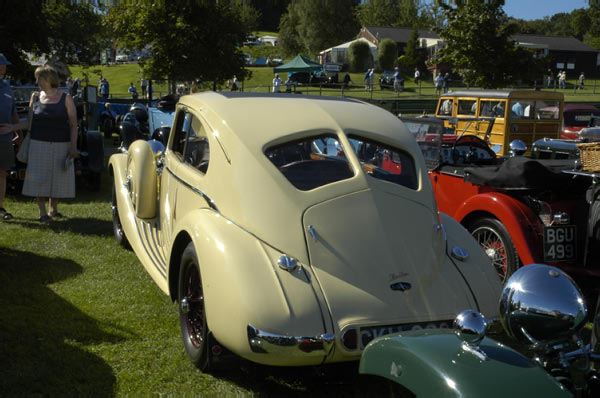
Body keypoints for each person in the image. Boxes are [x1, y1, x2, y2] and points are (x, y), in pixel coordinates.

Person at [2, 65, 78, 221]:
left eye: (39, 78)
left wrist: (73, 146)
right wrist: (13, 127)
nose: (36, 81)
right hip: (38, 144)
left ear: (48, 79)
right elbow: (30, 123)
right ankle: (42, 212)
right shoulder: (35, 97)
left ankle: (53, 209)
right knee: (38, 178)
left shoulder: (66, 98)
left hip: (61, 143)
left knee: (58, 178)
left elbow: (73, 125)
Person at [0, 53, 19, 220]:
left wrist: (17, 131)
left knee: (2, 173)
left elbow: (13, 112)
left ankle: (0, 207)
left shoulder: (7, 87)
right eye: (2, 64)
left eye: (5, 64)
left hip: (5, 138)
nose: (4, 67)